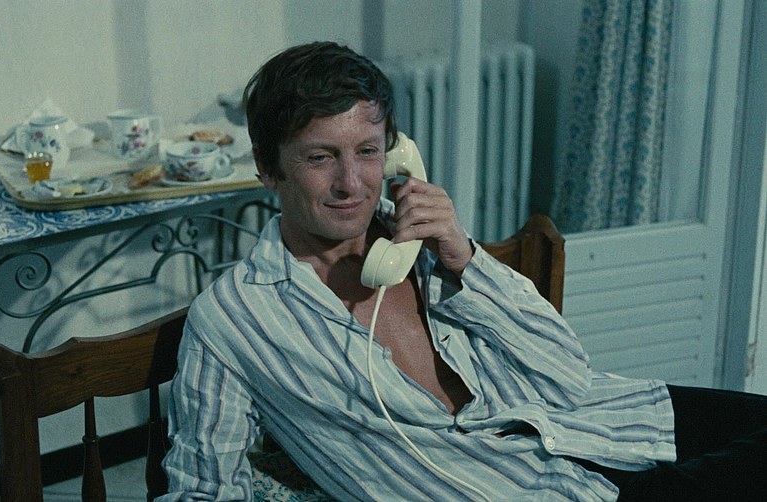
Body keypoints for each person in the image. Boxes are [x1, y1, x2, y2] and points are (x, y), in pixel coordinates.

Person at [160, 41, 767, 501]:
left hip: (597, 429)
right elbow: (201, 488)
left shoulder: (426, 247)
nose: (351, 183)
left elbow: (567, 378)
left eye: (368, 152)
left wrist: (464, 260)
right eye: (321, 158)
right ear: (269, 168)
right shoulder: (234, 320)